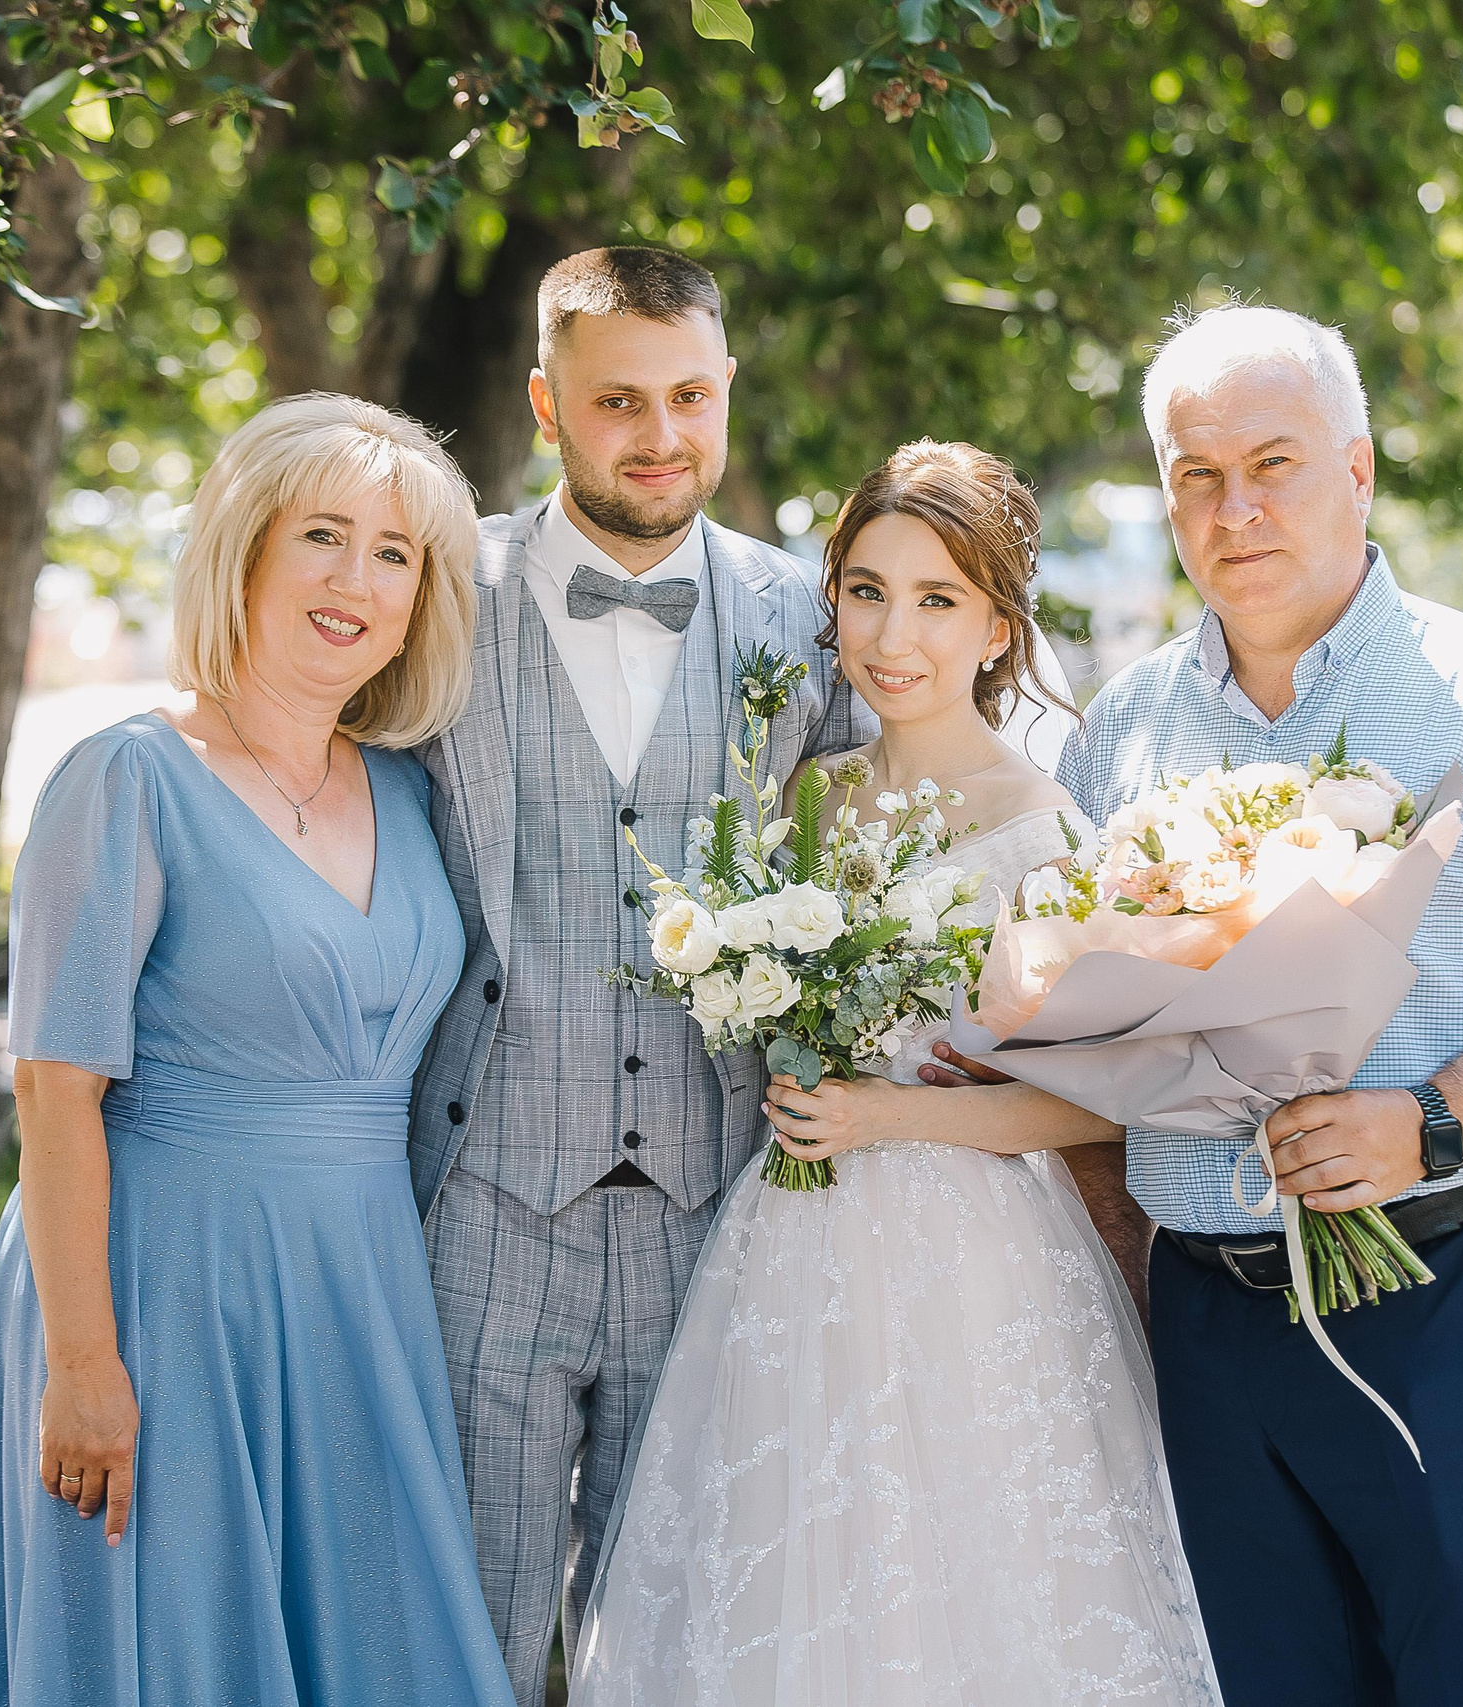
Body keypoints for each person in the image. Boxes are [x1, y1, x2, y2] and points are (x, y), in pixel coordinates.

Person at [1054, 303, 1463, 1707]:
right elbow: (1094, 1030)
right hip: (1208, 1319)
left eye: (1274, 462)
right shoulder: (1125, 728)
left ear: (1359, 471)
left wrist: (1429, 1120)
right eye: (1196, 474)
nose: (1236, 509)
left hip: (1443, 1283)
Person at [569, 440, 1223, 1705]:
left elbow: (1098, 1100)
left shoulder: (1043, 827)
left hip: (977, 1262)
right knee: (789, 1562)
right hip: (792, 1243)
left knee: (962, 1581)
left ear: (994, 627)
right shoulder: (807, 799)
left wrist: (881, 1111)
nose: (891, 634)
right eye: (865, 591)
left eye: (935, 600)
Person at [0, 395, 514, 1707]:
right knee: (179, 1643)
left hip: (361, 1286)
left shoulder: (410, 787)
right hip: (163, 1288)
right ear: (244, 550)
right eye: (322, 533)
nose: (356, 580)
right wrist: (84, 1362)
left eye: (394, 552)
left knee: (386, 1644)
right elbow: (53, 1088)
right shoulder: (126, 778)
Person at [408, 246, 873, 1707]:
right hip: (483, 1204)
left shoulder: (815, 619)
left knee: (680, 1641)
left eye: (688, 394)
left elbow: (877, 872)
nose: (661, 434)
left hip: (722, 1203)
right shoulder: (431, 591)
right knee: (461, 1636)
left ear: (727, 386)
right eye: (618, 400)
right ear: (548, 403)